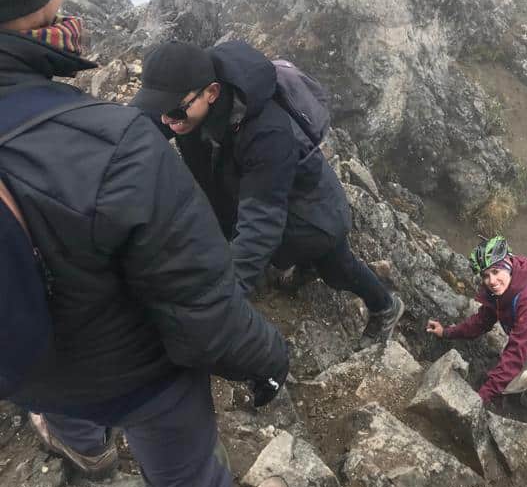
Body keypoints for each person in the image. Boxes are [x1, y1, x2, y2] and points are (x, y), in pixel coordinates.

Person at [0, 0, 289, 487]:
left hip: (21, 365)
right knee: (184, 469)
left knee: (56, 379)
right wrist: (268, 360)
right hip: (137, 377)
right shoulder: (113, 147)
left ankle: (81, 444)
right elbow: (205, 314)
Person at [131, 40, 404, 349]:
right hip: (264, 192)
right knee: (276, 247)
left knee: (337, 267)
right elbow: (144, 123)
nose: (167, 121)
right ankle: (305, 266)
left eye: (174, 111)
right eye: (160, 109)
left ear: (212, 93)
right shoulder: (187, 103)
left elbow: (260, 225)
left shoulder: (266, 132)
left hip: (313, 213)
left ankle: (385, 306)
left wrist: (218, 300)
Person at [426, 236, 527, 409]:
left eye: (495, 272)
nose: (491, 281)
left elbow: (515, 354)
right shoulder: (499, 293)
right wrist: (446, 332)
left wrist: (481, 398)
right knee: (503, 386)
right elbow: (481, 322)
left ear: (507, 264)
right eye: (485, 275)